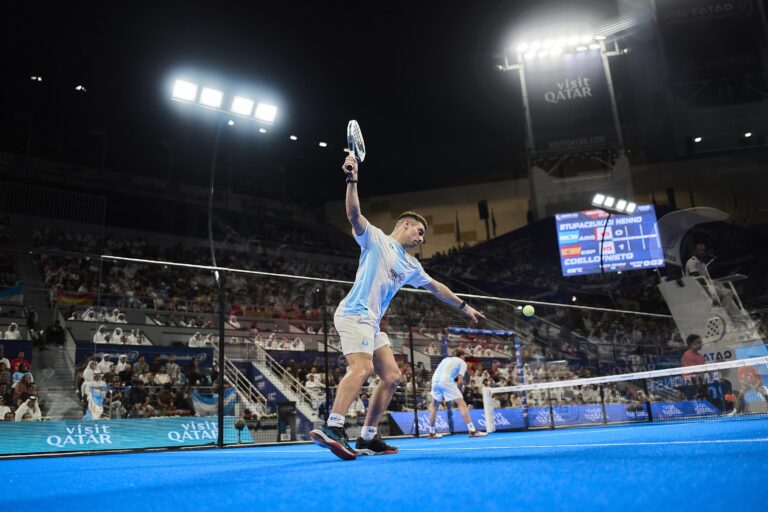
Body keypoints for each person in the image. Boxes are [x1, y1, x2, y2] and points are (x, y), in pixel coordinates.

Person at [309, 155, 485, 461]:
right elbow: (353, 214)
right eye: (419, 232)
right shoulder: (376, 240)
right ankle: (333, 427)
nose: (421, 239)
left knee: (391, 376)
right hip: (354, 313)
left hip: (372, 323)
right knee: (362, 368)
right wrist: (352, 179)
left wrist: (464, 305)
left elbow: (436, 287)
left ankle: (367, 436)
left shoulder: (411, 264)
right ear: (405, 225)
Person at [426, 349, 487, 438]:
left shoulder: (445, 359)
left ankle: (432, 433)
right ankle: (473, 431)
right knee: (462, 404)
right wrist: (459, 392)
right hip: (446, 382)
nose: (464, 358)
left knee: (434, 407)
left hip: (435, 381)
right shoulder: (462, 362)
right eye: (464, 356)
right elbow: (460, 380)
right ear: (462, 355)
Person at [685, 242, 748, 325]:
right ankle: (723, 315)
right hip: (697, 288)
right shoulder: (692, 262)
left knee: (726, 291)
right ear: (695, 251)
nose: (703, 252)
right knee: (720, 290)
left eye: (703, 250)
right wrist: (710, 283)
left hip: (705, 285)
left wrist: (714, 282)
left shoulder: (702, 264)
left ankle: (736, 316)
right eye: (700, 250)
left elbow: (706, 278)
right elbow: (697, 278)